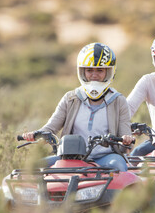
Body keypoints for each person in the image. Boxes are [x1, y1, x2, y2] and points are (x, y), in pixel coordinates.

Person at [22, 42, 134, 171]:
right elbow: (51, 127)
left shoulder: (119, 101)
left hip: (105, 157)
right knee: (34, 167)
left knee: (119, 166)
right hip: (71, 157)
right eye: (89, 70)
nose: (94, 74)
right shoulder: (70, 98)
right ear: (82, 71)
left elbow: (125, 131)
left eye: (100, 70)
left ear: (109, 72)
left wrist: (126, 138)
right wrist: (37, 134)